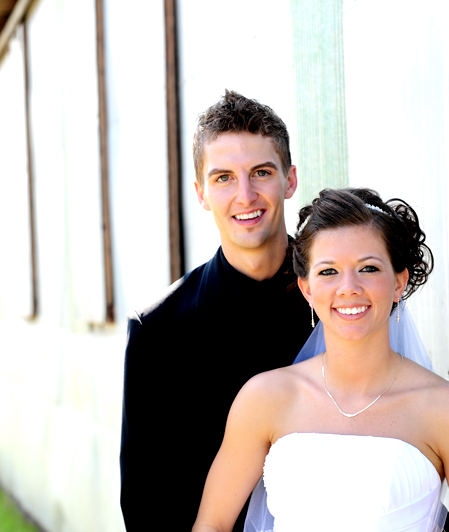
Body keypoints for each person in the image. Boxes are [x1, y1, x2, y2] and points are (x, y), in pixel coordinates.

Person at [193, 188, 449, 532]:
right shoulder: (265, 398)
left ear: (399, 282)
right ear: (307, 289)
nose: (349, 287)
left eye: (369, 268)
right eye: (328, 272)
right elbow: (213, 523)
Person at [119, 90, 312, 531]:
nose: (245, 195)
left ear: (290, 179)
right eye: (223, 177)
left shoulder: (342, 301)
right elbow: (147, 503)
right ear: (202, 193)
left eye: (261, 172)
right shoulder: (158, 329)